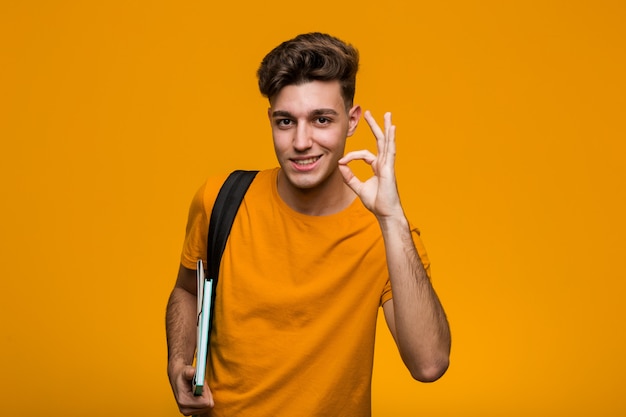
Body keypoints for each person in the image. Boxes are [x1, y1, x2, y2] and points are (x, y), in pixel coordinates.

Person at [166, 32, 451, 417]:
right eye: (286, 121)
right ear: (271, 120)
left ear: (351, 121)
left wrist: (392, 219)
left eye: (321, 120)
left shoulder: (382, 232)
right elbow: (187, 292)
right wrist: (177, 362)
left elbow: (429, 364)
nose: (302, 141)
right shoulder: (220, 199)